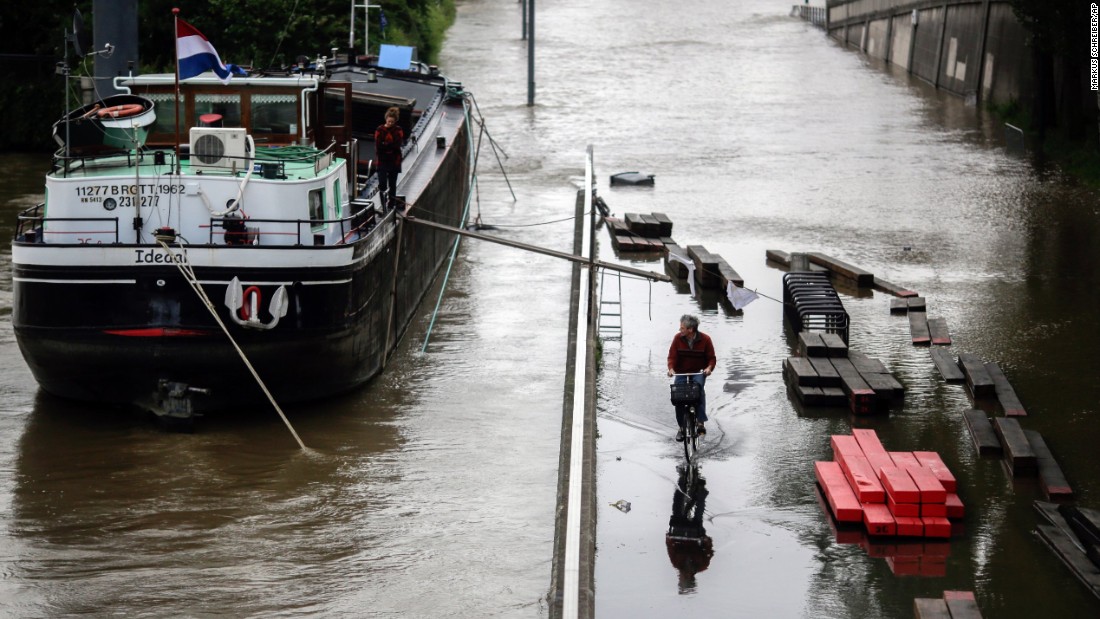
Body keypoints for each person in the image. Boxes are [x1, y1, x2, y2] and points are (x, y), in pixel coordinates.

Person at [667, 314, 715, 441]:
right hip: (681, 372)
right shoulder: (677, 339)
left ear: (690, 329)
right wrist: (671, 368)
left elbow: (711, 359)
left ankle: (700, 422)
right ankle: (682, 428)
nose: (679, 330)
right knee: (678, 396)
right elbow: (672, 356)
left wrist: (708, 368)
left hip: (698, 372)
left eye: (682, 328)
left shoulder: (706, 339)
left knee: (698, 390)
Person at [374, 106, 405, 211]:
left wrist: (386, 144)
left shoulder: (398, 130)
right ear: (386, 119)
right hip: (382, 160)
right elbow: (379, 145)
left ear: (395, 121)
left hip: (394, 160)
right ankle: (383, 205)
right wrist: (388, 146)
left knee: (392, 184)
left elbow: (397, 144)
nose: (390, 123)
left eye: (392, 122)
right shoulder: (379, 130)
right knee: (382, 184)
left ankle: (391, 204)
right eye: (389, 121)